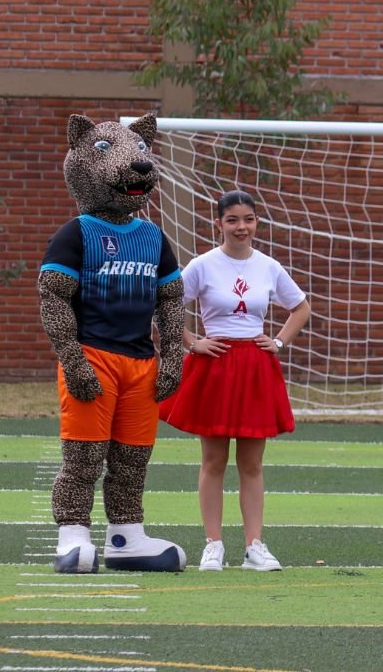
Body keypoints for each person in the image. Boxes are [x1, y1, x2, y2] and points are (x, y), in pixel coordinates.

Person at [158, 189, 311, 573]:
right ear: (219, 224)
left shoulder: (269, 266)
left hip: (255, 367)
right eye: (232, 220)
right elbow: (166, 307)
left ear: (257, 222)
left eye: (248, 219)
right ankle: (213, 545)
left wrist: (277, 341)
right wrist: (193, 342)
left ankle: (254, 546)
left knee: (252, 463)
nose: (241, 227)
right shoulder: (202, 265)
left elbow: (301, 307)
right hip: (215, 364)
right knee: (212, 460)